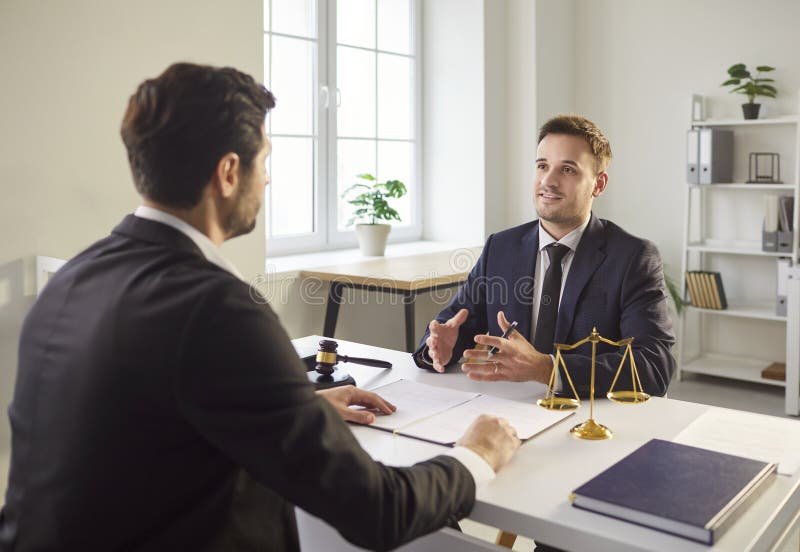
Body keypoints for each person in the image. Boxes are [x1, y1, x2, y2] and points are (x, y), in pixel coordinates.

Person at [0, 63, 521, 552]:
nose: (267, 179)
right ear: (229, 172)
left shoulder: (73, 279)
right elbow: (376, 510)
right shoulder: (218, 310)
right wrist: (475, 457)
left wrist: (299, 410)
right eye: (265, 161)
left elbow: (146, 426)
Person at [414, 114, 676, 399]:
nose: (548, 181)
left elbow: (653, 366)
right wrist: (439, 348)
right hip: (508, 410)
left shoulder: (633, 258)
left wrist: (548, 370)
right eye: (542, 166)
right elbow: (453, 324)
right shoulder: (500, 247)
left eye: (568, 170)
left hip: (589, 416)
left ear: (598, 184)